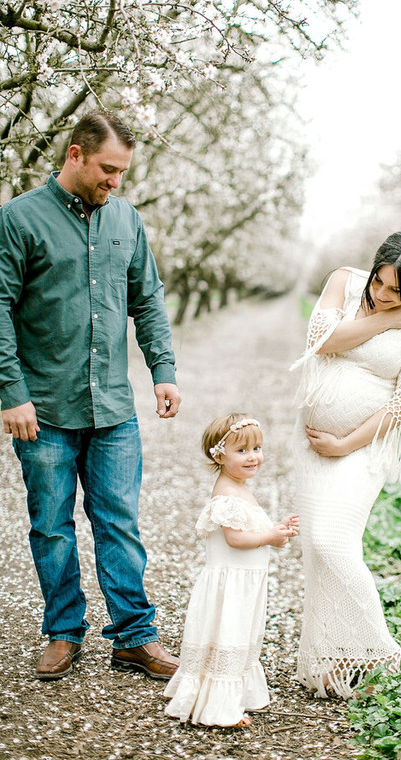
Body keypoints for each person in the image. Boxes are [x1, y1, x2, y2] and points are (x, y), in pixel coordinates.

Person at [0, 110, 182, 681]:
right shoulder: (19, 219)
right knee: (51, 526)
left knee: (120, 523)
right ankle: (62, 631)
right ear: (74, 154)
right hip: (44, 408)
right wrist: (11, 392)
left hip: (114, 408)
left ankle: (134, 637)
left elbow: (147, 299)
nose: (115, 182)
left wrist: (164, 370)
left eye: (123, 172)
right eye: (107, 169)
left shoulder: (127, 219)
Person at [291, 230, 401, 699]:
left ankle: (378, 649)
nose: (383, 295)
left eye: (397, 293)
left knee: (332, 541)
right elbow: (321, 340)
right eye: (380, 284)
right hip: (309, 445)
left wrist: (345, 445)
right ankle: (330, 661)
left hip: (365, 448)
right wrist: (390, 319)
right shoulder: (345, 282)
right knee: (314, 549)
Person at [164, 414, 299, 727]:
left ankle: (230, 695)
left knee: (239, 638)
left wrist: (276, 530)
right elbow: (235, 539)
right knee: (228, 636)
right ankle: (218, 709)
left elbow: (249, 529)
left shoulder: (238, 486)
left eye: (257, 448)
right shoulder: (226, 493)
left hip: (243, 584)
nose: (253, 456)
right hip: (231, 587)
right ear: (219, 454)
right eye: (242, 451)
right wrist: (271, 536)